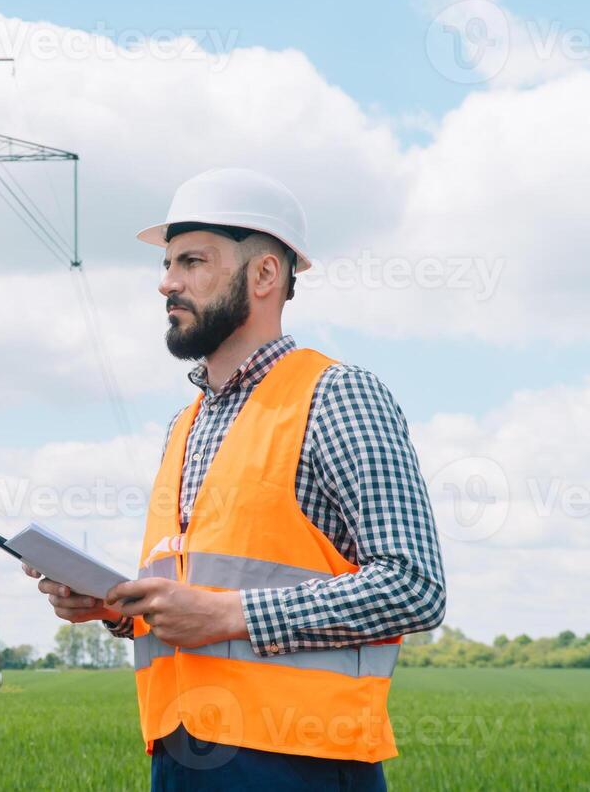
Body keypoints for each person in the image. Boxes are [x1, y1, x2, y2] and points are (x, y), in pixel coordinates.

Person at [24, 168, 446, 790]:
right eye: (168, 265)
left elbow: (414, 587)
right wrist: (116, 610)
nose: (168, 283)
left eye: (192, 261)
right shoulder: (184, 425)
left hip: (298, 763)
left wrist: (229, 616)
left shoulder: (336, 396)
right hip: (179, 756)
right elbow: (199, 597)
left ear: (265, 275)